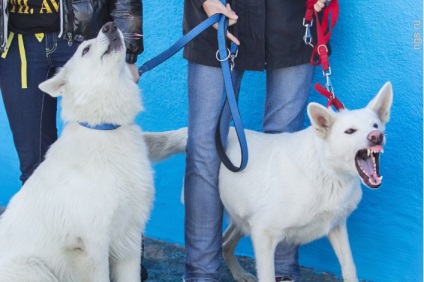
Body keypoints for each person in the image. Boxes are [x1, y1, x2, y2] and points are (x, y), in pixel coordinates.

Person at [0, 0, 148, 280]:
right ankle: (61, 260)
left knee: (119, 176)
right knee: (35, 168)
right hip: (17, 42)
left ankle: (125, 268)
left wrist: (127, 52)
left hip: (80, 32)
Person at [182, 0, 327, 281]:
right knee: (203, 150)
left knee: (287, 155)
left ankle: (281, 272)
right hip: (216, 16)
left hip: (292, 19)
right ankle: (201, 274)